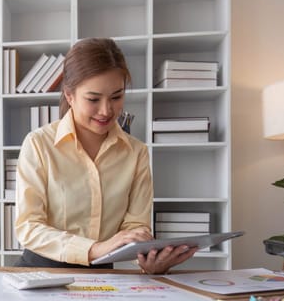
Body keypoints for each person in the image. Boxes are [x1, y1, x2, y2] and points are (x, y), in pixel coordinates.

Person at [14, 38, 197, 274]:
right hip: (39, 273)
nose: (106, 110)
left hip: (103, 275)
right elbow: (29, 226)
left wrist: (147, 257)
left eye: (116, 97)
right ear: (70, 96)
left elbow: (135, 225)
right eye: (93, 99)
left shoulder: (136, 153)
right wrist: (95, 249)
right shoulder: (39, 144)